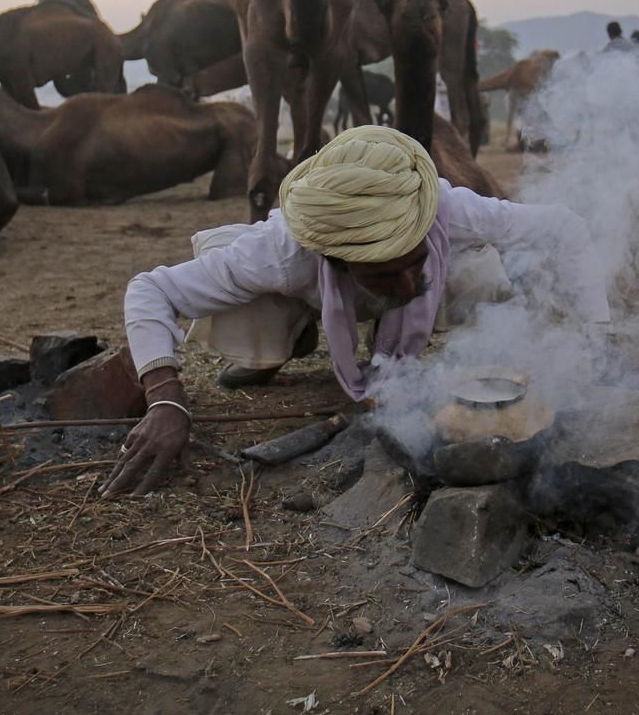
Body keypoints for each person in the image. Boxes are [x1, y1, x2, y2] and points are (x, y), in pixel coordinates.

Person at [102, 126, 609, 498]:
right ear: (333, 258)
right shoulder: (284, 253)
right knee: (251, 306)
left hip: (370, 280)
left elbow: (564, 228)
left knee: (481, 275)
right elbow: (149, 291)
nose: (410, 284)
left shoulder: (441, 208)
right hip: (301, 293)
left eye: (413, 263)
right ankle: (288, 337)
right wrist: (165, 401)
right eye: (387, 272)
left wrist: (598, 337)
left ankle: (394, 344)